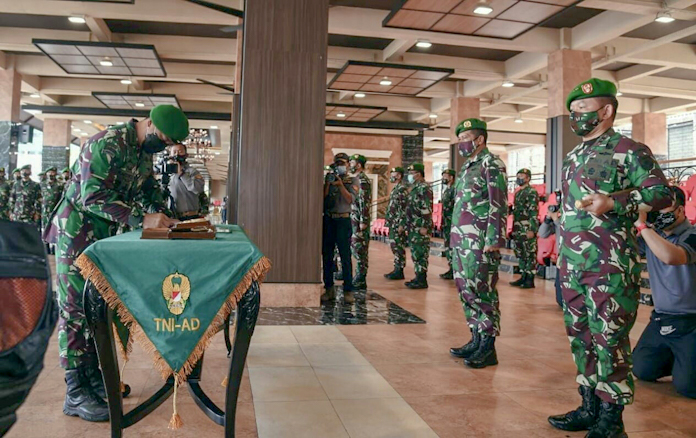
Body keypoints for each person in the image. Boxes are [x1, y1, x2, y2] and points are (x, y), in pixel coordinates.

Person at [43, 105, 186, 423]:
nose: (163, 145)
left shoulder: (142, 153)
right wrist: (141, 219)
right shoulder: (107, 142)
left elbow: (147, 189)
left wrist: (164, 215)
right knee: (75, 309)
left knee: (95, 307)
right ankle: (75, 390)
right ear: (150, 123)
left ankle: (94, 377)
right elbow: (91, 197)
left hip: (103, 236)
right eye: (163, 138)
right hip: (76, 231)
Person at [548, 78, 672, 438]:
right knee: (581, 336)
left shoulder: (629, 150)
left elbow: (661, 194)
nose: (576, 115)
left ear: (605, 111)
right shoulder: (572, 157)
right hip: (572, 265)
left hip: (609, 264)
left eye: (583, 109)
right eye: (573, 110)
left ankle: (611, 419)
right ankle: (589, 407)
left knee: (610, 339)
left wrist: (615, 202)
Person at [448, 119, 507, 369]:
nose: (461, 143)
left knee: (482, 290)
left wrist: (494, 239)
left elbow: (498, 203)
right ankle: (476, 338)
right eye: (460, 139)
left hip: (481, 241)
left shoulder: (491, 164)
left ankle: (488, 347)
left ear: (479, 139)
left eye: (465, 138)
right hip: (462, 240)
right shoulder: (466, 167)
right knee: (466, 289)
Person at [631, 186, 696, 399]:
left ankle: (686, 363)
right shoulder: (651, 237)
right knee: (642, 369)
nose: (659, 214)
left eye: (664, 208)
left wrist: (642, 226)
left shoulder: (693, 234)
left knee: (688, 388)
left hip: (691, 322)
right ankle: (682, 361)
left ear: (681, 210)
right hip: (661, 320)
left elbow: (673, 256)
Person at [322, 153, 357, 303]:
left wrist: (341, 185)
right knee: (327, 256)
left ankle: (348, 290)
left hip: (343, 220)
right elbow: (322, 199)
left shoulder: (352, 180)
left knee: (345, 256)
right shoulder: (329, 178)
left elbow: (350, 199)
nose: (340, 166)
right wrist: (328, 184)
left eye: (343, 163)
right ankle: (329, 288)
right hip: (329, 220)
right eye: (337, 163)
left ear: (348, 164)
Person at [509, 168, 540, 289]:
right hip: (518, 226)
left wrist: (532, 229)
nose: (519, 178)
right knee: (520, 252)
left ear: (528, 178)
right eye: (518, 176)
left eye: (522, 176)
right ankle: (523, 275)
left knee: (529, 252)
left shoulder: (531, 192)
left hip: (527, 226)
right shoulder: (518, 193)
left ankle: (530, 278)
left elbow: (533, 211)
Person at [405, 163, 433, 290]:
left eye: (412, 173)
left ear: (419, 174)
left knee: (421, 253)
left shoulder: (424, 188)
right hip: (413, 225)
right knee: (416, 252)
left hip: (420, 226)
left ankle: (422, 279)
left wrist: (425, 226)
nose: (410, 176)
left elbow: (426, 208)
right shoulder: (415, 188)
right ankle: (418, 276)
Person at [349, 154, 372, 291]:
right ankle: (358, 275)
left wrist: (363, 220)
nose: (350, 165)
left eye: (352, 162)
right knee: (356, 248)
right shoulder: (356, 179)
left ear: (358, 165)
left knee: (360, 249)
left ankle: (361, 278)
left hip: (359, 221)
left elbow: (364, 202)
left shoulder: (363, 180)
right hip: (354, 220)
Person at [167, 143, 205, 221]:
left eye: (180, 151)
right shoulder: (168, 175)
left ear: (186, 155)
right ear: (170, 155)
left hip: (191, 217)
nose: (177, 154)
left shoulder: (193, 172)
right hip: (173, 218)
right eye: (174, 152)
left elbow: (197, 189)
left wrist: (182, 174)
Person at [384, 167, 408, 280]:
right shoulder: (396, 189)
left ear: (399, 176)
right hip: (393, 223)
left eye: (393, 174)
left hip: (398, 223)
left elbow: (405, 208)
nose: (391, 176)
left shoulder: (402, 189)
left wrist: (402, 224)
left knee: (398, 247)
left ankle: (399, 270)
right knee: (394, 246)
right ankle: (396, 268)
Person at [538, 198, 562, 308]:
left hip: (573, 258)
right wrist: (548, 219)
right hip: (561, 260)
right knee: (560, 299)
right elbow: (542, 234)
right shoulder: (558, 221)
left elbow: (566, 233)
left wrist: (556, 220)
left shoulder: (572, 220)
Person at [440, 169, 456, 280]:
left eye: (446, 176)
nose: (443, 178)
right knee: (447, 246)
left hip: (452, 222)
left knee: (452, 246)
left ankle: (454, 269)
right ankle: (451, 268)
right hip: (446, 222)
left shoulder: (455, 190)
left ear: (451, 177)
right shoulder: (446, 190)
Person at [40, 167, 63, 243]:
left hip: (55, 211)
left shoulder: (60, 185)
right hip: (44, 212)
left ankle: (53, 247)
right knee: (44, 230)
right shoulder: (42, 184)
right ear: (46, 173)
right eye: (49, 172)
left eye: (53, 172)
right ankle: (45, 247)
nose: (51, 174)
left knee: (54, 230)